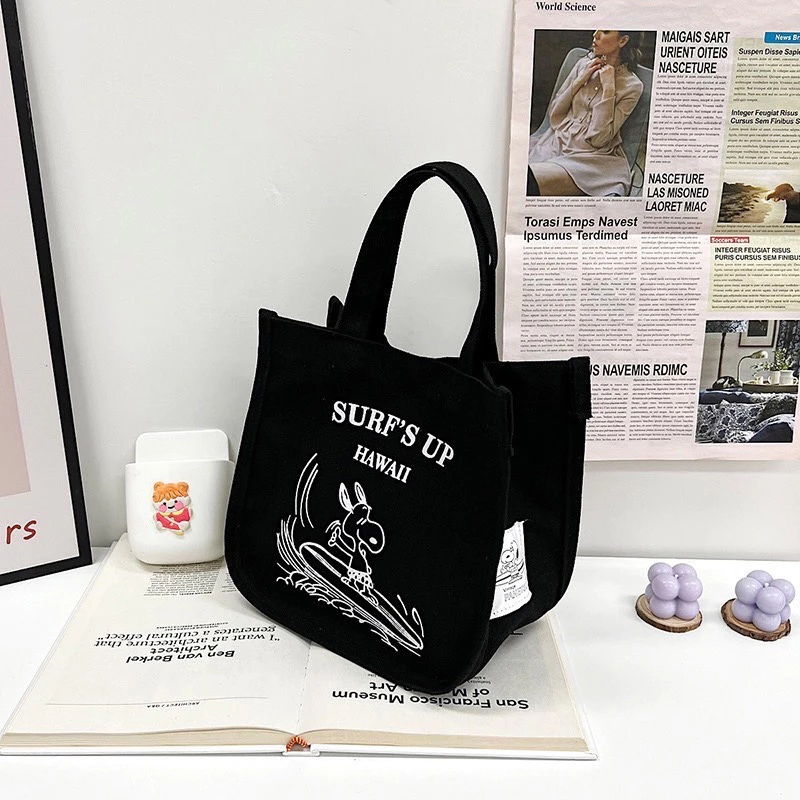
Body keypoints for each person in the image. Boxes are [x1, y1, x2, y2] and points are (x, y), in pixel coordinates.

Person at [528, 30, 645, 197]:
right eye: (596, 29)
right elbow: (554, 116)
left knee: (530, 180)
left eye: (605, 31)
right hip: (557, 142)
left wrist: (609, 89)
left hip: (591, 160)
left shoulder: (632, 86)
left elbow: (598, 139)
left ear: (623, 41)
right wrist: (580, 80)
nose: (595, 35)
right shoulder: (583, 64)